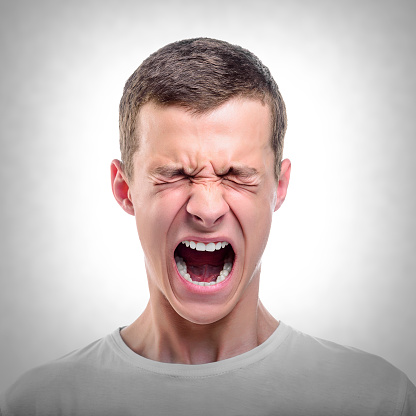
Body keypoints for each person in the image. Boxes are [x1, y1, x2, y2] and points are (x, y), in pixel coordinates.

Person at [1, 37, 415, 416]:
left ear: (280, 187)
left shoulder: (376, 400)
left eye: (236, 174)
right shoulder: (42, 404)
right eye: (176, 174)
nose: (207, 208)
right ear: (124, 188)